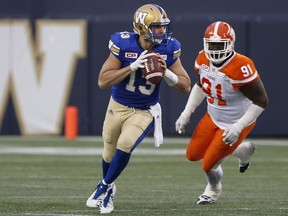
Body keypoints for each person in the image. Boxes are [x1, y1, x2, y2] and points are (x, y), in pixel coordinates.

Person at [86, 4, 191, 214]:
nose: (162, 31)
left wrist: (166, 73)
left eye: (163, 26)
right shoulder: (123, 44)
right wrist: (131, 67)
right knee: (108, 152)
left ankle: (103, 187)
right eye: (156, 27)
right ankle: (109, 189)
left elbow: (186, 85)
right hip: (117, 105)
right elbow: (102, 82)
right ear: (142, 28)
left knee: (125, 144)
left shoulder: (169, 48)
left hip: (144, 109)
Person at [175, 21, 268, 205]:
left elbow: (262, 101)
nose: (215, 49)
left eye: (220, 44)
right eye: (212, 44)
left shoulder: (242, 66)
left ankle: (213, 190)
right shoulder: (202, 58)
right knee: (192, 155)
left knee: (208, 164)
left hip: (236, 122)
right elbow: (201, 85)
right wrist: (187, 112)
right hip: (212, 117)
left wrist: (239, 126)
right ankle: (243, 150)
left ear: (231, 43)